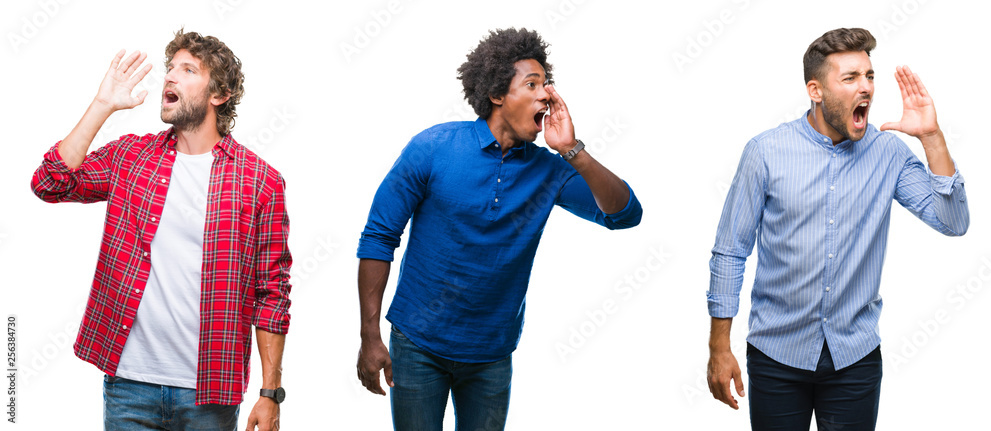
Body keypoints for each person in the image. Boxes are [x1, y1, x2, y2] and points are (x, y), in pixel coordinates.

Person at [355, 27, 642, 430]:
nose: (546, 94)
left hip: (491, 354)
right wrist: (370, 336)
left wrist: (573, 151)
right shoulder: (434, 147)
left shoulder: (550, 170)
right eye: (532, 83)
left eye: (547, 84)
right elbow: (379, 236)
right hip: (418, 344)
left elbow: (625, 214)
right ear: (496, 94)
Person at [705, 28, 969, 430]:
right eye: (850, 78)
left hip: (855, 358)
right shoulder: (766, 153)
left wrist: (931, 138)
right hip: (777, 354)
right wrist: (718, 346)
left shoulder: (888, 153)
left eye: (869, 76)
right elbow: (730, 251)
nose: (866, 88)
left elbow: (954, 223)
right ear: (816, 90)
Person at [30, 29, 291, 431]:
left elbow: (272, 292)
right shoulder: (132, 157)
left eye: (188, 70)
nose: (170, 77)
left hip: (209, 392)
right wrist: (103, 105)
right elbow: (51, 183)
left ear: (217, 95)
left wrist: (269, 392)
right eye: (170, 68)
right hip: (129, 385)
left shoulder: (259, 181)